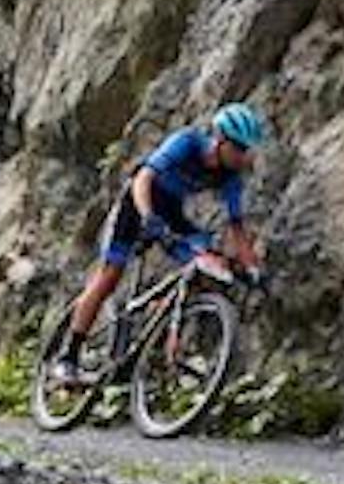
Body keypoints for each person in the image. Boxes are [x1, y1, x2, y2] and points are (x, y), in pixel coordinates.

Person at [52, 101, 271, 370]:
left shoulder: (230, 177)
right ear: (220, 140)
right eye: (238, 148)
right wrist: (148, 218)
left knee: (205, 261)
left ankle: (158, 323)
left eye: (246, 150)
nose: (242, 156)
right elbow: (144, 177)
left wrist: (252, 269)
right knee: (109, 276)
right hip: (138, 202)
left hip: (171, 210)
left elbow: (237, 228)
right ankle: (68, 355)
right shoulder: (187, 143)